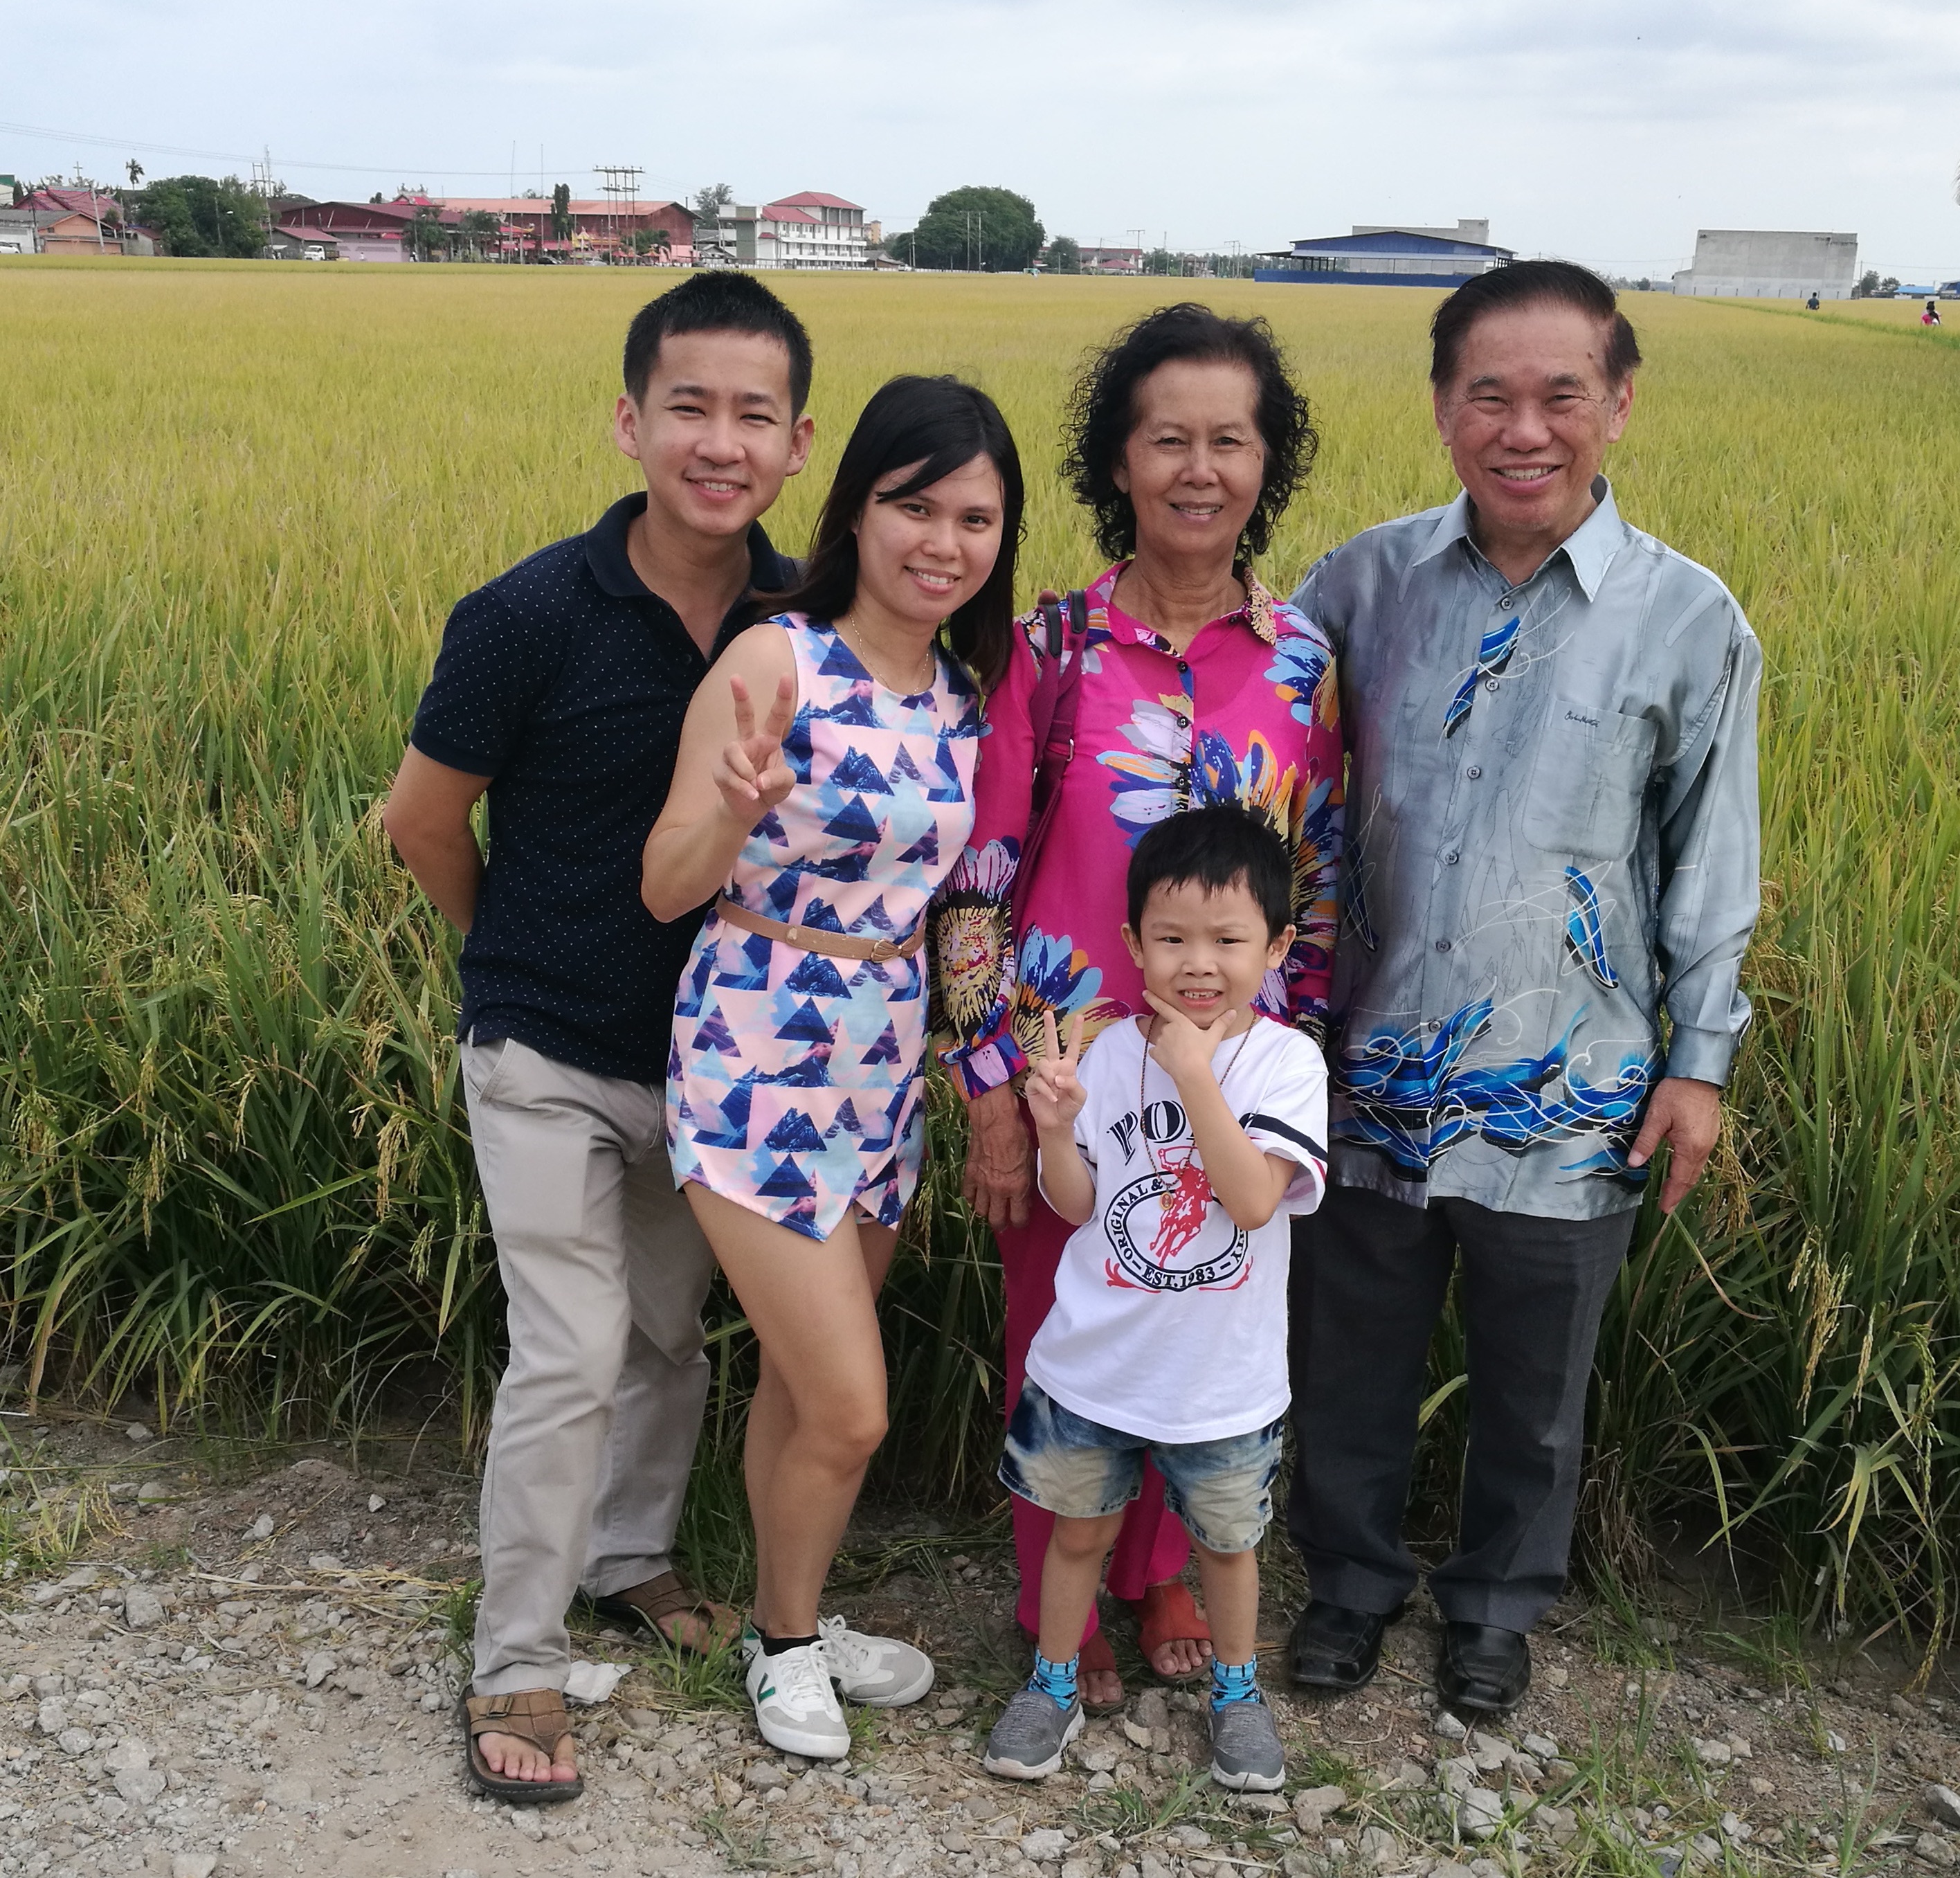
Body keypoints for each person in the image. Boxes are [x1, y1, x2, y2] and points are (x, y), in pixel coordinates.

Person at [1284, 260, 1762, 1719]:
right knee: (1347, 1356)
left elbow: (1707, 855)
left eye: (1561, 393)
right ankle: (1349, 1587)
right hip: (1363, 1062)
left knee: (1535, 1384)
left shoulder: (1687, 619)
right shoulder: (1358, 583)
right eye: (1487, 393)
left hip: (1573, 1077)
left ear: (1616, 403)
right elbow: (1279, 798)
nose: (1523, 426)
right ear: (1441, 407)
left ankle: (1493, 1608)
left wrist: (1698, 1063)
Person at [383, 271, 815, 1802]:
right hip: (545, 1050)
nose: (718, 440)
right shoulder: (523, 618)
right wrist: (507, 960)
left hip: (711, 1063)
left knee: (662, 1337)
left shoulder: (802, 620)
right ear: (630, 420)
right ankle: (513, 1653)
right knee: (568, 1346)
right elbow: (421, 822)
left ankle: (627, 1557)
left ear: (797, 440)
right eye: (686, 407)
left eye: (751, 414)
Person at [928, 304, 1341, 1708]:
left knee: (1206, 1312)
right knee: (1063, 1324)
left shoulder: (1299, 659)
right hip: (1067, 1064)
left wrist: (1300, 1060)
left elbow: (1320, 871)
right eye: (1166, 436)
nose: (1197, 467)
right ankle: (1065, 1580)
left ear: (1265, 462)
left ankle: (1161, 1569)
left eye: (1230, 439)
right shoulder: (1049, 645)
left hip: (1230, 1068)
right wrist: (989, 1084)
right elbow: (978, 874)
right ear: (1118, 458)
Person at [644, 374, 1024, 1757]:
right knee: (854, 1405)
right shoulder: (773, 660)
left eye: (972, 515)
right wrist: (731, 810)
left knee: (808, 1392)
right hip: (752, 1052)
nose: (941, 538)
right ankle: (790, 1648)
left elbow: (960, 904)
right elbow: (662, 884)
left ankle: (781, 1616)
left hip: (878, 1069)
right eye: (911, 504)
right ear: (854, 508)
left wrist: (998, 1060)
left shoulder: (966, 694)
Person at [980, 805, 1328, 1791]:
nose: (1198, 964)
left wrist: (1195, 1076)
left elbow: (1255, 1197)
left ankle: (1235, 1690)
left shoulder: (1283, 1062)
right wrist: (1053, 1129)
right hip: (1096, 1361)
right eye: (1172, 939)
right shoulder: (1105, 1050)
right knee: (1076, 1529)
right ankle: (1050, 1677)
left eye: (1227, 940)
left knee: (1224, 1544)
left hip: (1220, 1381)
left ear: (1275, 949)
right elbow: (1080, 1202)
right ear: (1133, 944)